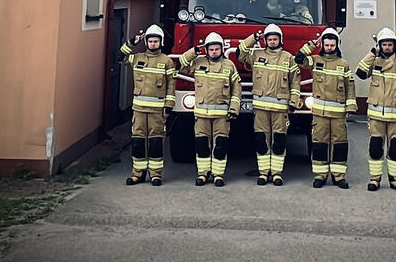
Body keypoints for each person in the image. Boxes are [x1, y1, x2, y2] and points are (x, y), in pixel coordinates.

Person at [237, 24, 300, 186]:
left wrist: (293, 102)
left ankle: (277, 173)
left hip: (280, 109)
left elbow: (295, 82)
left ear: (280, 40)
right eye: (269, 39)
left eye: (275, 39)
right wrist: (253, 38)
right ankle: (264, 173)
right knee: (261, 140)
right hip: (260, 109)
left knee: (279, 141)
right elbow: (240, 53)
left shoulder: (288, 58)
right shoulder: (256, 55)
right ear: (265, 40)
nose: (272, 42)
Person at [355, 27, 396, 192]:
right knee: (375, 148)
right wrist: (372, 53)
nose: (387, 47)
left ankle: (395, 180)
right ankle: (374, 179)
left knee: (395, 149)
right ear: (379, 46)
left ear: (394, 46)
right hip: (376, 116)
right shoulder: (374, 62)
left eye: (390, 44)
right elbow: (360, 72)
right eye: (384, 44)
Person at [295, 28, 357, 189]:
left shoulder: (343, 64)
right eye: (327, 45)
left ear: (337, 45)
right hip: (320, 115)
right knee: (319, 144)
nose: (329, 48)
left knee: (339, 145)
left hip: (338, 115)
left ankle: (339, 177)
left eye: (332, 45)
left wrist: (351, 106)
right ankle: (320, 176)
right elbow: (298, 58)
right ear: (322, 44)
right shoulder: (314, 61)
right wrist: (312, 45)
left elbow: (350, 87)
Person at [178, 32, 241, 187]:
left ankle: (218, 175)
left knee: (220, 145)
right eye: (211, 49)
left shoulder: (229, 66)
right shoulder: (197, 62)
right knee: (202, 145)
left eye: (216, 49)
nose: (214, 52)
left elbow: (236, 88)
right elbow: (181, 65)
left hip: (222, 116)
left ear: (221, 49)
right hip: (201, 115)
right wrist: (193, 52)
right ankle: (203, 174)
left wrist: (234, 109)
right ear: (206, 50)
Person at [119, 24, 176, 186]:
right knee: (138, 141)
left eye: (155, 41)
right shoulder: (137, 58)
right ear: (147, 42)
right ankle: (137, 174)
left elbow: (171, 85)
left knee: (155, 142)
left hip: (157, 111)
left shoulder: (167, 61)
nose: (153, 44)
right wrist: (132, 42)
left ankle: (156, 175)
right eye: (150, 41)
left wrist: (169, 106)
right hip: (138, 110)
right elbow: (120, 57)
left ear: (160, 42)